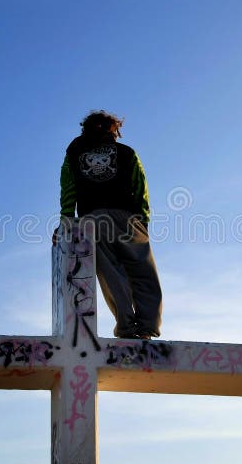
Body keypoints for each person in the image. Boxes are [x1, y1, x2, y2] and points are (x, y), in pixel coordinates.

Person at [58, 110, 163, 339]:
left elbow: (68, 189)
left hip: (93, 220)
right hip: (127, 218)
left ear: (85, 129)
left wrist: (66, 222)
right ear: (113, 129)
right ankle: (147, 326)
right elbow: (140, 187)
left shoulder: (74, 152)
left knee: (111, 274)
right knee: (142, 272)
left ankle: (126, 326)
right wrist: (143, 221)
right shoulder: (126, 152)